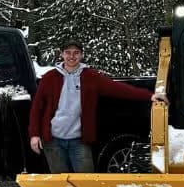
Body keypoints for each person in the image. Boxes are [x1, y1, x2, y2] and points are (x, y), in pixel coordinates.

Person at [29, 37, 160, 173]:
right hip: (53, 140)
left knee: (86, 181)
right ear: (62, 54)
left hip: (79, 140)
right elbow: (37, 108)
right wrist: (34, 135)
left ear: (81, 55)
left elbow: (118, 88)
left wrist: (149, 95)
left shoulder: (91, 77)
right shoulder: (49, 78)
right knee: (61, 183)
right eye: (68, 52)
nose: (72, 56)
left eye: (76, 53)